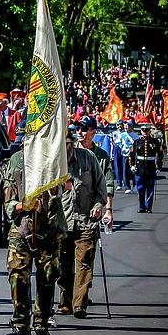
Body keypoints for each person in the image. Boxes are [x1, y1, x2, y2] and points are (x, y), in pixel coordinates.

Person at [2, 133, 66, 335]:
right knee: (18, 276)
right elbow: (8, 200)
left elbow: (65, 189)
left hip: (49, 228)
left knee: (47, 277)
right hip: (21, 228)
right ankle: (20, 324)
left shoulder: (54, 159)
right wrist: (23, 206)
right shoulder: (16, 160)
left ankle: (42, 324)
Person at [59, 131, 108, 319]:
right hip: (61, 224)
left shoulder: (88, 158)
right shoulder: (54, 163)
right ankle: (65, 301)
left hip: (85, 221)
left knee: (84, 263)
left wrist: (98, 206)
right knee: (62, 266)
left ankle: (79, 304)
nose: (67, 149)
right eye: (63, 145)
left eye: (69, 144)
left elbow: (100, 188)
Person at [72, 116, 115, 229]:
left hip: (91, 211)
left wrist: (108, 210)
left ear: (93, 132)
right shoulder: (69, 152)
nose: (79, 132)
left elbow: (108, 184)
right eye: (77, 128)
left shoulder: (101, 156)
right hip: (70, 212)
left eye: (84, 129)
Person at [130, 123, 163, 213]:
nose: (145, 132)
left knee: (150, 188)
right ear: (141, 131)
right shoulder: (137, 142)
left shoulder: (155, 142)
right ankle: (141, 207)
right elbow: (132, 154)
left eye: (147, 130)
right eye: (143, 130)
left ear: (149, 131)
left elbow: (160, 154)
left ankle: (148, 207)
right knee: (140, 189)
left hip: (151, 167)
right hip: (140, 168)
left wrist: (159, 166)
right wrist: (132, 165)